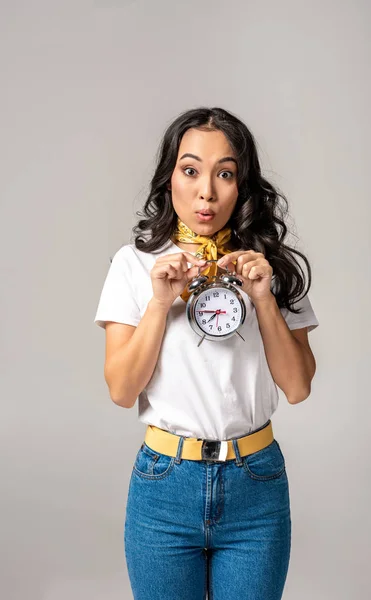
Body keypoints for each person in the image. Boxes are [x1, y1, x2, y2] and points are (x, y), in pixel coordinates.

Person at [93, 106, 319, 600]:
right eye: (191, 170)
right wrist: (159, 302)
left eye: (225, 174)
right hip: (165, 484)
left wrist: (262, 297)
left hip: (254, 483)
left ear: (243, 186)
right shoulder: (134, 265)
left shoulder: (269, 266)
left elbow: (298, 387)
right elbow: (121, 389)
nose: (206, 192)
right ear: (168, 177)